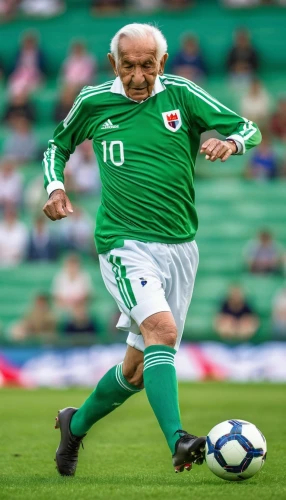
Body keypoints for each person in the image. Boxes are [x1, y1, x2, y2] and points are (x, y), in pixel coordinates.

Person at [42, 23, 261, 477]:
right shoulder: (93, 101)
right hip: (123, 244)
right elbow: (56, 145)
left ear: (162, 63)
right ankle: (179, 440)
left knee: (138, 371)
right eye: (128, 66)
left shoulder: (181, 94)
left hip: (180, 248)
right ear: (112, 65)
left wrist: (232, 141)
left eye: (147, 65)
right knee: (161, 332)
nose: (138, 76)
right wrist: (55, 186)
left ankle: (74, 425)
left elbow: (248, 127)